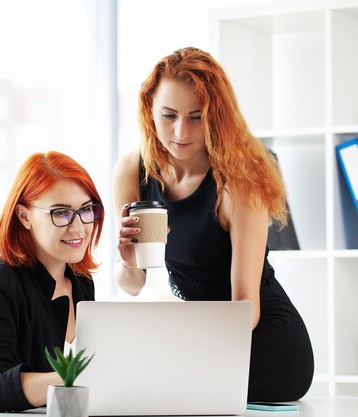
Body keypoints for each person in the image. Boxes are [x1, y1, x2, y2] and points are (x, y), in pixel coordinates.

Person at [112, 47, 314, 402]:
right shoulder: (133, 171)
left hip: (261, 341)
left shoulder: (238, 182)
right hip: (199, 338)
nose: (180, 131)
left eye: (196, 117)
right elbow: (134, 286)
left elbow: (245, 306)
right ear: (150, 111)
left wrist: (190, 346)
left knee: (151, 380)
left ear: (216, 116)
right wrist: (128, 261)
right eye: (169, 115)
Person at [0, 151, 104, 412]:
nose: (79, 227)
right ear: (24, 217)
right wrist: (77, 379)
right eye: (61, 213)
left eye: (86, 210)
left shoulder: (81, 282)